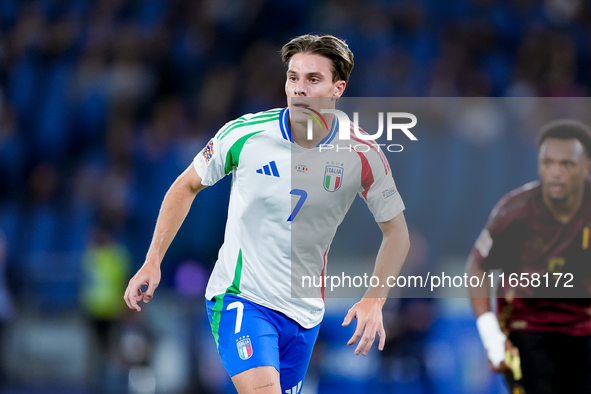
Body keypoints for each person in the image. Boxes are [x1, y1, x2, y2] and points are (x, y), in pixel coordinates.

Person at [124, 34, 410, 394]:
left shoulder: (361, 153)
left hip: (304, 314)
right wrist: (153, 260)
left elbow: (397, 233)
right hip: (241, 298)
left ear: (338, 88)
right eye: (293, 78)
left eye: (313, 79)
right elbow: (186, 185)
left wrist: (375, 299)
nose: (299, 89)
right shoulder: (246, 134)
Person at [466, 119, 591, 394]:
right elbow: (477, 268)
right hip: (526, 327)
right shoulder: (514, 212)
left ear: (586, 167)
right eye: (548, 163)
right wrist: (491, 337)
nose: (555, 172)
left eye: (566, 164)